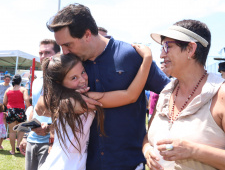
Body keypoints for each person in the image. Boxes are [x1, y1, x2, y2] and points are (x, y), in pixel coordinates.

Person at [44, 3, 170, 170]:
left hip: (129, 163)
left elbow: (170, 92)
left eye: (68, 44)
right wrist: (65, 102)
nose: (64, 51)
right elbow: (42, 104)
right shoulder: (70, 63)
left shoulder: (131, 55)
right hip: (84, 165)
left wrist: (150, 136)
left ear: (87, 34)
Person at [38, 43, 152, 169]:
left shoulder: (64, 98)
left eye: (83, 72)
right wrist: (147, 59)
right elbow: (129, 96)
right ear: (60, 83)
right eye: (74, 78)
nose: (82, 79)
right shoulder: (83, 100)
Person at [142, 19, 225, 170]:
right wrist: (147, 150)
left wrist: (193, 151)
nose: (161, 55)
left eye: (167, 47)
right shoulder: (165, 94)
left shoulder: (221, 94)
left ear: (190, 49)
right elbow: (148, 138)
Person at [19, 39, 60, 170]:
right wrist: (25, 135)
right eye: (40, 53)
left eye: (47, 52)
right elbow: (33, 110)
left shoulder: (64, 81)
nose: (43, 56)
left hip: (51, 142)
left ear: (58, 54)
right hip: (32, 140)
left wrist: (51, 131)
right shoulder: (37, 81)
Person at [3, 74, 30, 155]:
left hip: (10, 111)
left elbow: (4, 102)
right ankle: (18, 144)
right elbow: (26, 99)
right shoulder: (23, 89)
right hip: (20, 111)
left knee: (12, 132)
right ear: (20, 81)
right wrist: (28, 108)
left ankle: (13, 150)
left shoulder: (8, 90)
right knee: (21, 129)